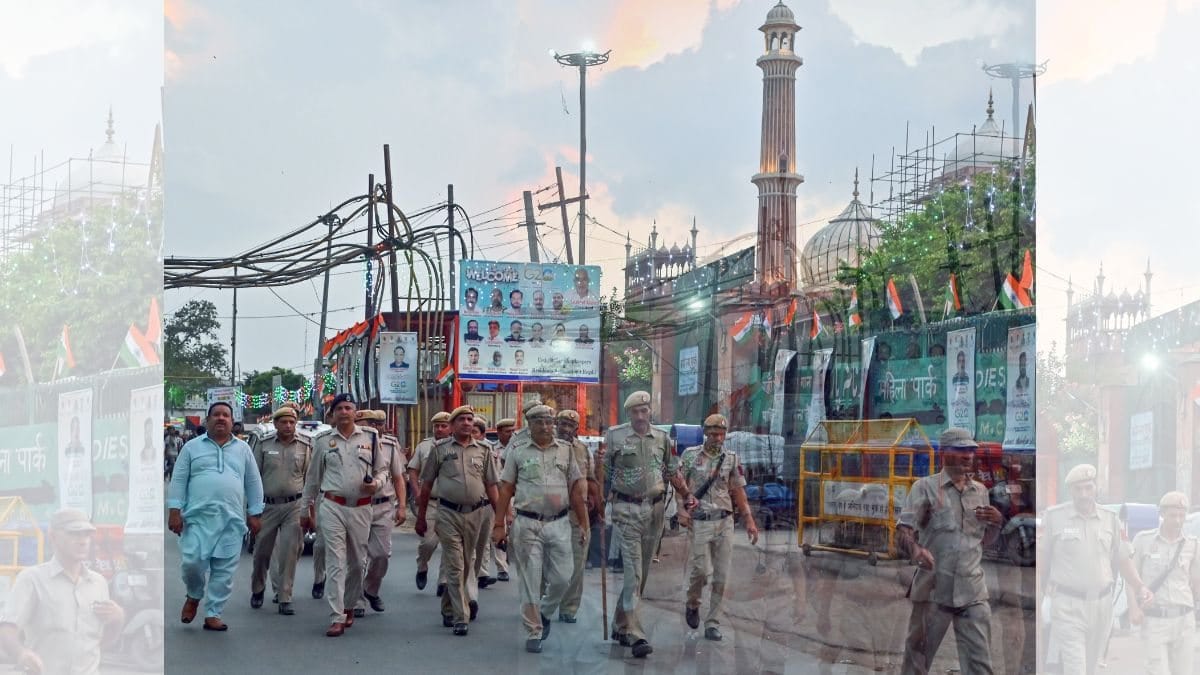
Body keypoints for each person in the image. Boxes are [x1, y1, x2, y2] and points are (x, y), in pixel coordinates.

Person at [895, 427, 1000, 674]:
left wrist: (997, 521)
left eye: (971, 451)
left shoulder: (980, 492)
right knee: (916, 662)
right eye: (961, 450)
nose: (968, 456)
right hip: (934, 591)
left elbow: (985, 541)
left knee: (980, 665)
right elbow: (903, 530)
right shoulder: (925, 488)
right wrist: (916, 550)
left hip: (972, 590)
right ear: (944, 453)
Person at [492, 405, 589, 653]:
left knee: (563, 578)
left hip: (559, 524)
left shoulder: (567, 452)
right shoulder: (518, 452)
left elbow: (577, 491)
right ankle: (533, 630)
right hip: (527, 523)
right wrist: (499, 524)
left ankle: (544, 612)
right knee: (530, 580)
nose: (545, 427)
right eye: (539, 423)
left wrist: (585, 523)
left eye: (548, 422)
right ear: (529, 425)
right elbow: (505, 489)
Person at [601, 391, 691, 658]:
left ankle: (620, 624)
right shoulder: (615, 436)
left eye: (645, 411)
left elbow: (673, 470)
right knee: (633, 574)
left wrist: (686, 496)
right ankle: (635, 633)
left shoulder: (662, 439)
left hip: (655, 511)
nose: (641, 416)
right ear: (629, 414)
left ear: (650, 411)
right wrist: (596, 506)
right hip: (626, 509)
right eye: (636, 412)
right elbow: (604, 474)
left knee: (641, 573)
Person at [1040, 463, 1151, 675]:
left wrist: (1140, 587)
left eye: (1088, 488)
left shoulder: (1110, 519)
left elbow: (1124, 561)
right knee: (1076, 668)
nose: (1083, 494)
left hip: (1102, 606)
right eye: (1078, 489)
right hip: (1068, 605)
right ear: (1070, 491)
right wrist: (1039, 599)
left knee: (1092, 667)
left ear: (1095, 488)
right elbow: (1042, 563)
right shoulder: (1055, 518)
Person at [167, 401, 265, 632]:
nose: (221, 418)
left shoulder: (243, 449)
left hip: (231, 520)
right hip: (197, 518)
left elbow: (253, 482)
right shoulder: (192, 447)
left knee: (224, 570)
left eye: (226, 415)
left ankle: (213, 613)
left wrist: (255, 512)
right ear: (207, 420)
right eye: (217, 415)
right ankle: (194, 595)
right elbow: (179, 480)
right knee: (192, 563)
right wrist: (174, 511)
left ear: (232, 421)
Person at [300, 394, 388, 637]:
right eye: (339, 408)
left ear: (355, 412)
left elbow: (383, 471)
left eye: (348, 408)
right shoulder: (323, 441)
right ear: (332, 414)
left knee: (357, 563)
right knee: (335, 562)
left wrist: (377, 484)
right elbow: (313, 480)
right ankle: (337, 615)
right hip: (332, 505)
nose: (344, 412)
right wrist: (304, 510)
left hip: (361, 507)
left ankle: (349, 604)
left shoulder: (371, 437)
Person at [0, 509, 125, 675]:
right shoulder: (32, 579)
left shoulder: (98, 583)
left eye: (86, 535)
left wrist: (118, 619)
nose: (83, 541)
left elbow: (98, 643)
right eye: (74, 534)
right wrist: (21, 653)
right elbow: (7, 628)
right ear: (53, 537)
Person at [415, 406, 500, 636]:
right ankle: (460, 617)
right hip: (447, 513)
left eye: (470, 419)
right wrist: (421, 517)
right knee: (455, 563)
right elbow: (426, 486)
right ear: (452, 425)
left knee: (467, 563)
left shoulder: (484, 450)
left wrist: (501, 519)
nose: (466, 423)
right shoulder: (439, 450)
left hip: (476, 514)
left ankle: (447, 605)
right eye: (461, 419)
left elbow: (492, 486)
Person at [675, 414, 759, 641]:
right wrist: (682, 512)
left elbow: (739, 491)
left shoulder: (731, 458)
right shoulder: (691, 456)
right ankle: (693, 603)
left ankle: (713, 622)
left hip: (724, 521)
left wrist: (749, 520)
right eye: (713, 434)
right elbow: (680, 485)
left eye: (721, 434)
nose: (717, 438)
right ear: (705, 433)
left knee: (721, 575)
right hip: (700, 521)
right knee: (700, 571)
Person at [249, 406, 312, 616]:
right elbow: (253, 477)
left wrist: (309, 509)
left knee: (289, 552)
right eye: (283, 422)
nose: (288, 426)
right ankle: (258, 588)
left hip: (294, 506)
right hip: (267, 506)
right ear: (275, 424)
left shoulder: (305, 445)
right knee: (262, 553)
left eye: (292, 422)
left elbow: (309, 478)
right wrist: (251, 510)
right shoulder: (264, 444)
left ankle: (285, 596)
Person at [1128, 491, 1200, 675]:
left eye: (1182, 515)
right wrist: (1134, 609)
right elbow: (1131, 578)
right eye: (1173, 515)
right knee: (1157, 670)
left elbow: (1196, 583)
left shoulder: (1193, 544)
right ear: (1162, 514)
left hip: (1184, 620)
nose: (1178, 520)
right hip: (1155, 620)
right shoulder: (1143, 540)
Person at [355, 410, 407, 616]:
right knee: (357, 557)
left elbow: (399, 478)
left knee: (382, 554)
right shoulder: (351, 443)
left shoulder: (390, 446)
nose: (376, 427)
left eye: (379, 423)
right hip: (357, 505)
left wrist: (402, 506)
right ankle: (356, 599)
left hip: (383, 507)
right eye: (370, 423)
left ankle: (370, 589)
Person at [556, 408, 602, 623]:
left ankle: (569, 607)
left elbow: (591, 480)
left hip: (578, 514)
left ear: (576, 428)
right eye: (562, 424)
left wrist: (598, 508)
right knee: (549, 565)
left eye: (570, 425)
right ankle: (539, 604)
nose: (566, 429)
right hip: (552, 514)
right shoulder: (547, 448)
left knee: (578, 562)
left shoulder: (583, 450)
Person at [408, 411, 453, 596]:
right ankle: (422, 564)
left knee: (450, 545)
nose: (440, 429)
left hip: (451, 503)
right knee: (429, 542)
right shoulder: (424, 446)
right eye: (437, 426)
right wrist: (417, 493)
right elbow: (412, 471)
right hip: (431, 502)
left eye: (444, 425)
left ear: (450, 427)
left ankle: (443, 580)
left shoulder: (456, 447)